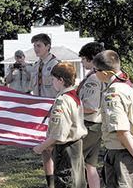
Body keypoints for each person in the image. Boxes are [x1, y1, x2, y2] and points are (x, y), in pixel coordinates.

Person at [93, 50, 133, 187]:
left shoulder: (113, 94)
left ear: (104, 73)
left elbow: (121, 130)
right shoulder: (131, 88)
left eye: (95, 70)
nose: (94, 73)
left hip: (123, 152)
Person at [33, 61, 87, 188]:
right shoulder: (74, 96)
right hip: (76, 146)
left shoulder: (62, 100)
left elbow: (58, 133)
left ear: (61, 80)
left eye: (53, 79)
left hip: (65, 149)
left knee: (66, 181)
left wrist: (42, 147)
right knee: (77, 181)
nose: (52, 82)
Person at [29, 33, 60, 188]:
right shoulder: (35, 66)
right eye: (34, 46)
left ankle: (60, 180)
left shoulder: (56, 65)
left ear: (48, 46)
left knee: (55, 148)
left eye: (39, 45)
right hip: (41, 114)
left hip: (55, 111)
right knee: (45, 150)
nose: (36, 49)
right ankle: (50, 183)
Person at [77, 42, 105, 188]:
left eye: (83, 59)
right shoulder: (96, 75)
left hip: (90, 125)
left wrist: (72, 110)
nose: (81, 62)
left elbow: (91, 107)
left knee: (77, 162)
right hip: (97, 126)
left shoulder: (94, 78)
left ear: (92, 58)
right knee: (90, 165)